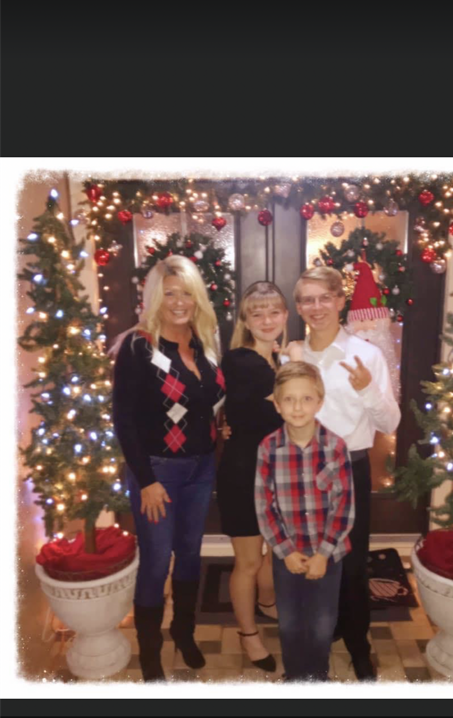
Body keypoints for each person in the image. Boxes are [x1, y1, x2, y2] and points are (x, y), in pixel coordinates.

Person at [112, 256, 225, 682]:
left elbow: (206, 404)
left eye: (187, 293)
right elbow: (124, 421)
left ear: (198, 299)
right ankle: (150, 654)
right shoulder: (139, 347)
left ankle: (183, 631)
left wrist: (222, 427)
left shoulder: (204, 342)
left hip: (201, 468)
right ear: (155, 298)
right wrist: (146, 481)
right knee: (157, 562)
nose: (179, 302)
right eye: (170, 293)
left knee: (191, 554)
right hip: (157, 471)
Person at [288, 265, 401, 681]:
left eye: (324, 298)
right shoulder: (291, 355)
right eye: (307, 300)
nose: (316, 307)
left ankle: (357, 643)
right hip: (300, 472)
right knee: (308, 559)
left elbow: (390, 423)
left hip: (348, 469)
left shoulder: (365, 355)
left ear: (340, 301)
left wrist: (366, 387)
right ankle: (320, 634)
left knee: (350, 565)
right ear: (299, 307)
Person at [254, 362, 355, 681]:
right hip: (288, 556)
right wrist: (285, 551)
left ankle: (317, 677)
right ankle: (296, 677)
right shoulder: (268, 448)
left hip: (329, 555)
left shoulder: (336, 447)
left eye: (306, 398)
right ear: (277, 404)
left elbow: (344, 505)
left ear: (319, 402)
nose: (297, 407)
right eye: (289, 399)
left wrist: (323, 554)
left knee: (323, 623)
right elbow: (264, 506)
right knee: (290, 623)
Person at [216, 282, 289, 672]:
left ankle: (268, 602)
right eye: (257, 313)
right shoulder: (241, 360)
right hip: (245, 472)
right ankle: (248, 634)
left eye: (274, 312)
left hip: (280, 471)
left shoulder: (277, 360)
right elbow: (288, 404)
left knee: (275, 550)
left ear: (285, 316)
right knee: (247, 560)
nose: (266, 320)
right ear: (245, 320)